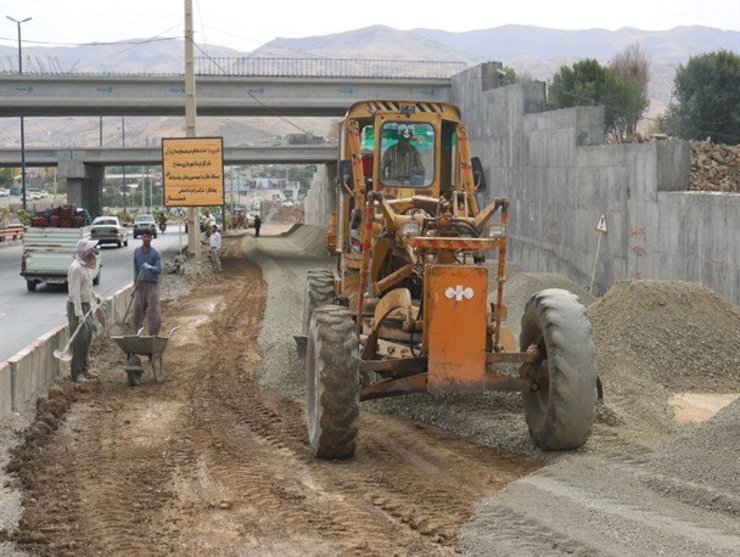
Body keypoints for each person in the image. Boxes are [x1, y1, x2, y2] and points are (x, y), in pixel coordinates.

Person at [66, 239, 100, 383]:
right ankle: (77, 373)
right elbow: (75, 293)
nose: (92, 253)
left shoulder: (85, 267)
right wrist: (79, 314)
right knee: (79, 340)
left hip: (86, 305)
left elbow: (88, 287)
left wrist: (95, 297)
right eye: (90, 250)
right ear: (83, 252)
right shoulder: (76, 268)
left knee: (87, 338)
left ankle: (85, 368)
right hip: (76, 307)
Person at [133, 230, 162, 336]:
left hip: (151, 285)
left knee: (154, 312)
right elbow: (136, 269)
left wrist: (150, 267)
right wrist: (135, 285)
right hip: (140, 285)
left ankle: (153, 336)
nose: (146, 238)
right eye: (145, 236)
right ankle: (136, 336)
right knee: (137, 311)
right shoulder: (136, 252)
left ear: (151, 238)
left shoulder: (155, 253)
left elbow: (159, 269)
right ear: (142, 238)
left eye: (149, 237)